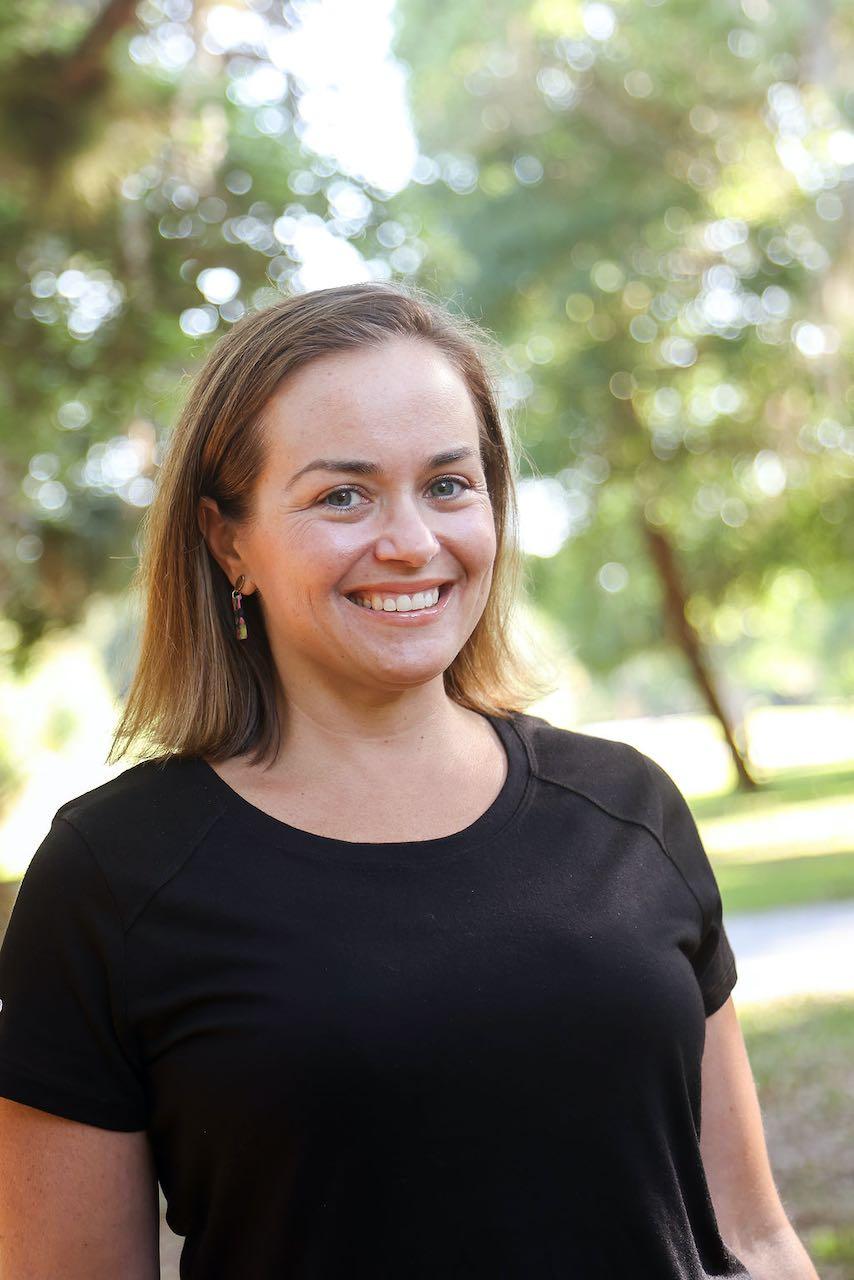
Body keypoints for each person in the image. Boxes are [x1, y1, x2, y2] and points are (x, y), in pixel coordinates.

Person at [0, 282, 818, 1280]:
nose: (410, 541)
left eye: (447, 483)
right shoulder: (112, 875)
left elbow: (752, 1236)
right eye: (342, 493)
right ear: (227, 540)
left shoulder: (627, 807)